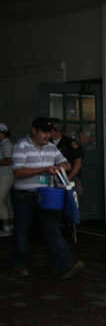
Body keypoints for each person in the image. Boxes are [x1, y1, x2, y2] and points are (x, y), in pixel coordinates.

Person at [9, 117, 85, 279]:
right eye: (44, 132)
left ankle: (66, 265)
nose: (47, 136)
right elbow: (19, 172)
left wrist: (62, 166)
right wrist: (44, 169)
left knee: (52, 229)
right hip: (25, 195)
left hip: (46, 195)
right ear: (34, 131)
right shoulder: (21, 146)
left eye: (49, 132)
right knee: (22, 230)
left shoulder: (51, 147)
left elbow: (67, 164)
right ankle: (17, 263)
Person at [50, 118, 84, 200]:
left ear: (57, 130)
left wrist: (67, 179)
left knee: (77, 191)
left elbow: (78, 163)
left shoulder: (70, 143)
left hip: (68, 175)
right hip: (49, 174)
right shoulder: (46, 142)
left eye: (49, 130)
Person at [0, 123, 14, 237]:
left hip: (6, 176)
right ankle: (11, 226)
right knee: (7, 202)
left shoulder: (6, 144)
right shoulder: (3, 144)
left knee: (0, 201)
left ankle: (6, 228)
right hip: (6, 176)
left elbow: (9, 161)